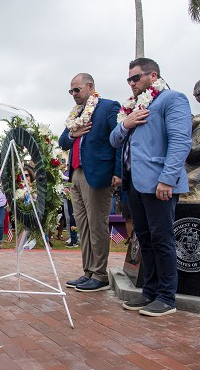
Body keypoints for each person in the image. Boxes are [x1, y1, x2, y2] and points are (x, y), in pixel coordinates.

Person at [110, 57, 192, 316]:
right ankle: (149, 291)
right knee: (144, 238)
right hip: (134, 183)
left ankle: (167, 298)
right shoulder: (131, 108)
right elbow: (114, 140)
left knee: (162, 239)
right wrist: (127, 123)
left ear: (153, 76)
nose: (131, 83)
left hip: (160, 183)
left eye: (136, 78)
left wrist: (168, 178)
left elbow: (180, 141)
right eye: (129, 79)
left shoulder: (172, 99)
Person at [59, 73, 121, 292]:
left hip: (97, 174)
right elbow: (62, 141)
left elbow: (119, 140)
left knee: (96, 225)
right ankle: (88, 272)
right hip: (75, 173)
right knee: (82, 225)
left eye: (77, 90)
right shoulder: (75, 114)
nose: (74, 94)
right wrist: (73, 134)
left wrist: (118, 172)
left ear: (90, 86)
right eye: (71, 91)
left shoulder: (108, 107)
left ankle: (101, 275)